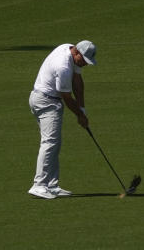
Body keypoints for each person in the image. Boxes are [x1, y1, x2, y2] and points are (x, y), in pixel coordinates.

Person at [28, 40, 96, 199]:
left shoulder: (68, 48)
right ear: (77, 52)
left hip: (47, 99)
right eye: (84, 60)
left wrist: (83, 109)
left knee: (54, 142)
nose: (85, 64)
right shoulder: (63, 66)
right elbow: (66, 96)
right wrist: (80, 116)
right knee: (49, 142)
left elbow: (77, 82)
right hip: (46, 101)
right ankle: (39, 185)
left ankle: (52, 185)